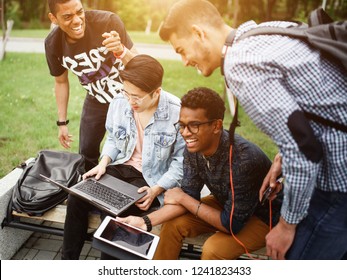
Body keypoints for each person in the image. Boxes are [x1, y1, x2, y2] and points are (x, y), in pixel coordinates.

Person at [158, 0, 347, 259]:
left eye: (182, 50)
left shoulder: (241, 64)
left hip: (337, 181)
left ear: (198, 33)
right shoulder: (263, 32)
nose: (184, 61)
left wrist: (286, 225)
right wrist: (282, 157)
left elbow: (303, 149)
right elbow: (315, 104)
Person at [118, 87, 282, 260]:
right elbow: (189, 194)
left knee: (213, 249)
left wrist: (182, 198)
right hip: (225, 204)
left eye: (194, 126)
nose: (185, 133)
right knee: (172, 225)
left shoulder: (244, 159)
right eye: (181, 125)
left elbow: (230, 225)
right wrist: (145, 222)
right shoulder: (194, 148)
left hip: (263, 217)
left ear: (216, 125)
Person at [62, 54, 185, 259]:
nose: (129, 101)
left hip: (150, 179)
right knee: (76, 196)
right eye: (126, 92)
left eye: (136, 96)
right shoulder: (119, 101)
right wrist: (103, 163)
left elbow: (180, 162)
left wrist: (156, 190)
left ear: (156, 93)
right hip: (119, 168)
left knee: (113, 213)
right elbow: (113, 137)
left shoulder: (176, 111)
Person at [45, 0, 137, 171]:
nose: (78, 20)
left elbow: (139, 64)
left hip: (129, 99)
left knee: (129, 154)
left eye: (80, 12)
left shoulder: (108, 22)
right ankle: (88, 194)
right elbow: (60, 81)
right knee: (86, 154)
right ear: (54, 18)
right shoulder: (53, 44)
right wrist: (62, 123)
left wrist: (121, 50)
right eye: (67, 16)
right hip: (96, 98)